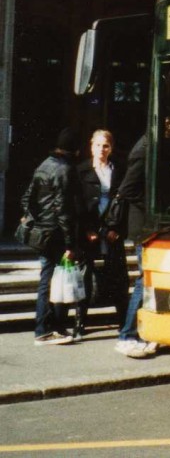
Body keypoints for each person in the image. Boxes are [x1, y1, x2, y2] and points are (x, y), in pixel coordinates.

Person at [20, 128, 81, 345]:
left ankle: (49, 327)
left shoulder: (44, 165)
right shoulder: (64, 170)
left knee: (49, 279)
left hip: (43, 232)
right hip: (55, 234)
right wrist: (69, 243)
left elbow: (27, 198)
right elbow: (64, 210)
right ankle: (46, 329)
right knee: (53, 281)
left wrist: (33, 218)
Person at [76, 129, 128, 341]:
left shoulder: (118, 171)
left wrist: (118, 229)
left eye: (105, 145)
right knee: (84, 276)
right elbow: (77, 204)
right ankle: (80, 322)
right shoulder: (81, 171)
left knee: (118, 276)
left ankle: (123, 321)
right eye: (98, 145)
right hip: (90, 231)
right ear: (91, 146)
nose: (101, 149)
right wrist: (86, 230)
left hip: (112, 230)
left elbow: (125, 202)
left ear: (111, 148)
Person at [111, 132, 157, 358]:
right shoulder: (144, 150)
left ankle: (141, 333)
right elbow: (127, 189)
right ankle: (127, 334)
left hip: (149, 227)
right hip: (144, 228)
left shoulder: (149, 146)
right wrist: (150, 206)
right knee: (144, 278)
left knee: (148, 278)